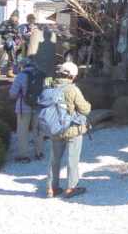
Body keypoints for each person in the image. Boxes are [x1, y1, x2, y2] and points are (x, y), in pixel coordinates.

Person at [46, 62, 91, 199]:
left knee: (54, 160)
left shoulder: (50, 86)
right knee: (72, 159)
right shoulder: (72, 89)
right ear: (72, 76)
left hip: (54, 129)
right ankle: (71, 187)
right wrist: (88, 105)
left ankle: (51, 188)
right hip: (72, 130)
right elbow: (85, 109)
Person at [9, 58, 45, 163]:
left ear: (22, 66)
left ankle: (24, 156)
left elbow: (13, 94)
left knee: (22, 131)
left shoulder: (20, 76)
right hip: (38, 107)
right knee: (38, 129)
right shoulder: (41, 74)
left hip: (23, 108)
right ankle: (39, 153)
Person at [0, 10, 20, 78]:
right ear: (10, 17)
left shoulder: (18, 25)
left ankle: (9, 71)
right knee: (1, 56)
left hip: (12, 42)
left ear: (17, 18)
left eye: (15, 17)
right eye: (13, 16)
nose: (14, 18)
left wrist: (17, 43)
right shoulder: (5, 23)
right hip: (3, 41)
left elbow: (18, 36)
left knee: (12, 56)